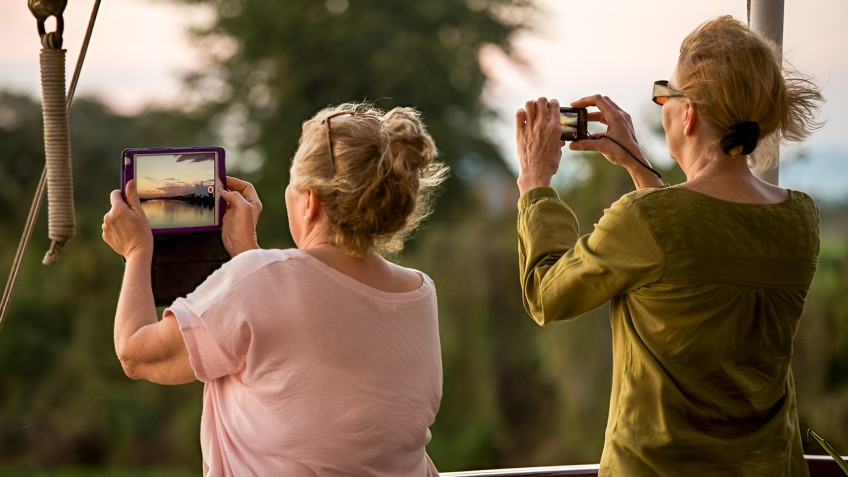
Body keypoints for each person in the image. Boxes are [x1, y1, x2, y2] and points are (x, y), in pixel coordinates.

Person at [515, 16, 823, 476]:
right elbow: (693, 244)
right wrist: (640, 168)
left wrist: (535, 185)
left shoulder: (648, 221)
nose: (661, 104)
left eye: (665, 93)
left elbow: (546, 294)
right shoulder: (800, 218)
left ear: (689, 112)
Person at [102, 102, 449, 476]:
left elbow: (137, 354)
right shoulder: (418, 292)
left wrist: (137, 249)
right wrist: (248, 254)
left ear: (310, 202)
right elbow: (305, 351)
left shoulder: (259, 280)